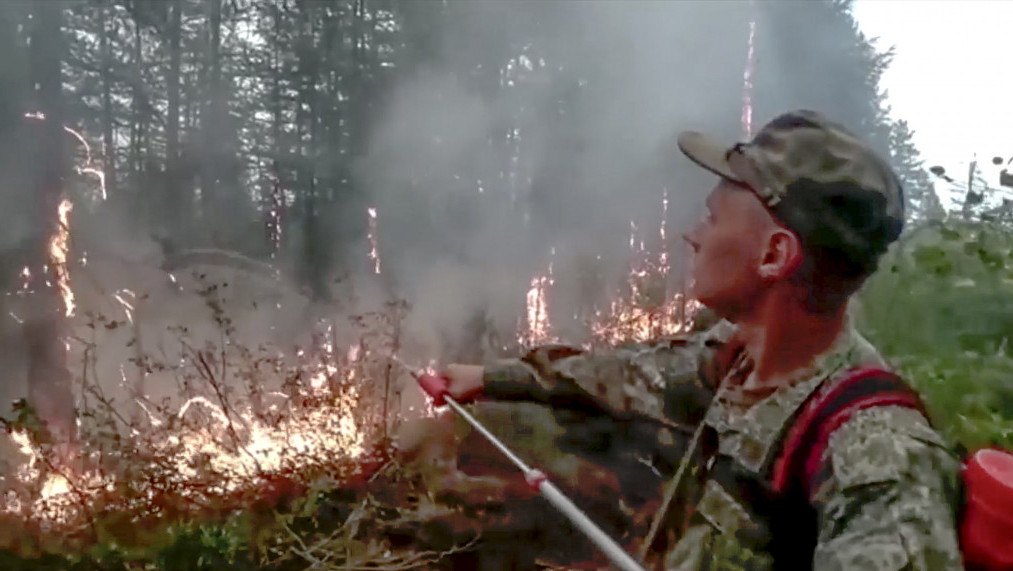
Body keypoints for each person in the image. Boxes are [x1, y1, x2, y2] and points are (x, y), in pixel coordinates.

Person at [435, 110, 965, 569]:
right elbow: (626, 374)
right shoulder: (739, 361)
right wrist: (487, 379)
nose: (692, 234)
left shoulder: (879, 462)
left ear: (774, 256)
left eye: (712, 219)